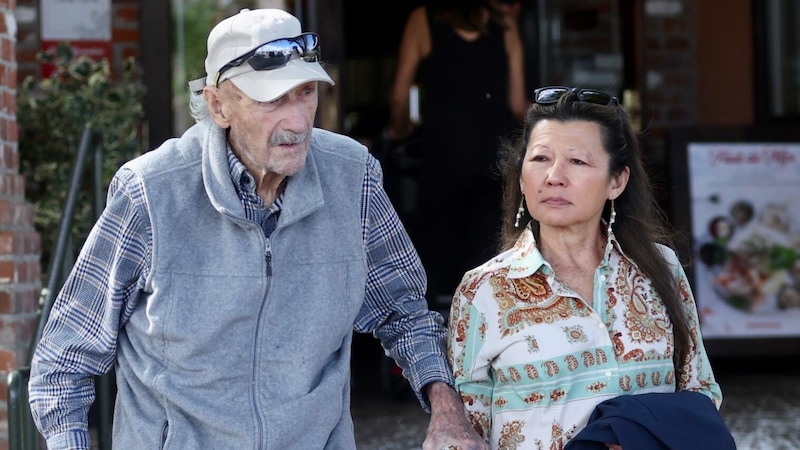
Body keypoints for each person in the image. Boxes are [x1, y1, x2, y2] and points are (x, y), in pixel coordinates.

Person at [27, 8, 487, 450]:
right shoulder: (150, 193)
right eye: (273, 100)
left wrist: (447, 410)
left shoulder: (354, 176)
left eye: (306, 92)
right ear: (219, 105)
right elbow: (63, 362)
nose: (298, 121)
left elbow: (403, 313)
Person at [446, 86, 723, 449]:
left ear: (617, 181)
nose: (554, 176)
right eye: (540, 159)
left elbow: (700, 392)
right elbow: (465, 434)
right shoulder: (485, 291)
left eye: (577, 161)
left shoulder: (660, 269)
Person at [386, 0, 529, 307]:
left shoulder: (422, 19)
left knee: (438, 272)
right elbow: (519, 105)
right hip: (495, 159)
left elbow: (399, 96)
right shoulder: (504, 24)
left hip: (444, 158)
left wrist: (398, 130)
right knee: (491, 265)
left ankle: (442, 343)